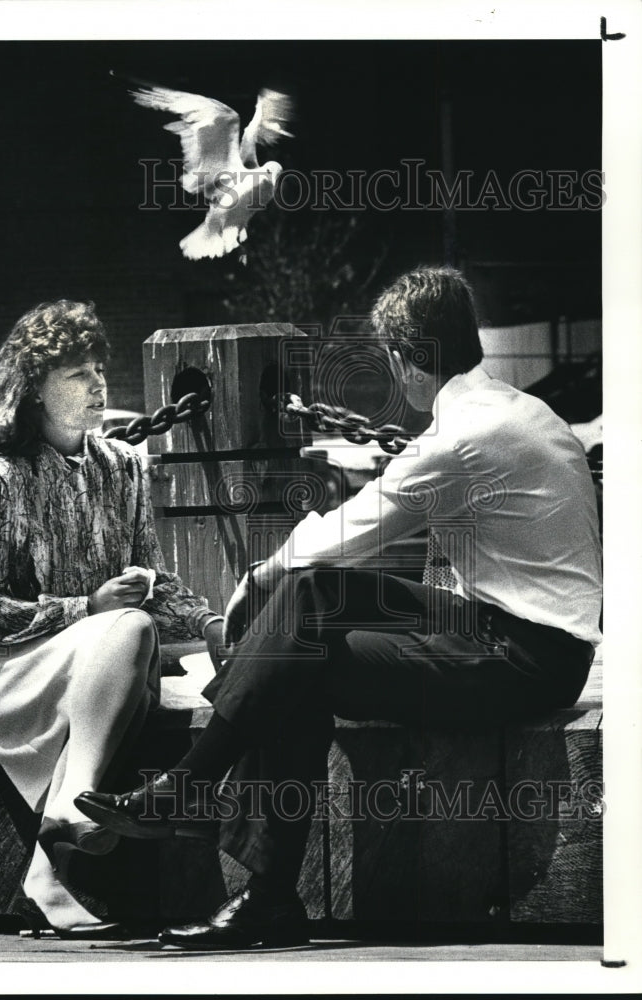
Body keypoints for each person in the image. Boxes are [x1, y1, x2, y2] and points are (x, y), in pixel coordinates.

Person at [76, 267, 603, 949]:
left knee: (299, 653)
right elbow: (331, 565)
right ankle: (202, 805)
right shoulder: (513, 409)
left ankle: (221, 832)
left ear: (403, 360)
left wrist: (255, 576)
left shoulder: (462, 437)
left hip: (522, 656)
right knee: (306, 605)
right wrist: (278, 585)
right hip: (507, 630)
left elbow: (357, 526)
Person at [0, 299, 223, 938]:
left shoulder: (122, 467)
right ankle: (76, 811)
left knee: (134, 628)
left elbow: (149, 581)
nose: (99, 385)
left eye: (99, 368)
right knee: (128, 630)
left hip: (94, 656)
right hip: (3, 660)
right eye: (77, 374)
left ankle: (49, 872)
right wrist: (87, 607)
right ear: (35, 390)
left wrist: (208, 623)